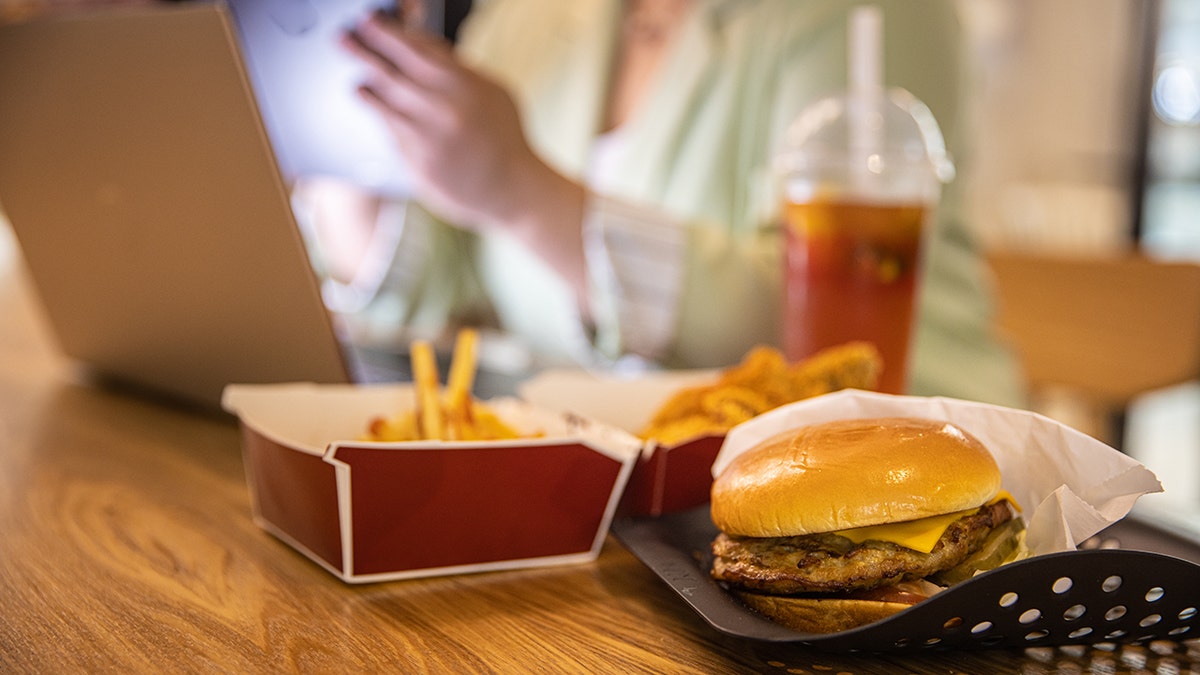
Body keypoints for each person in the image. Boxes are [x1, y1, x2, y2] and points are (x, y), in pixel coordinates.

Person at [311, 0, 1025, 407]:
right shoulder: (530, 18)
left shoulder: (858, 15)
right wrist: (332, 113)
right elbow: (454, 263)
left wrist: (523, 190)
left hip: (910, 447)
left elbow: (818, 322)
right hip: (628, 510)